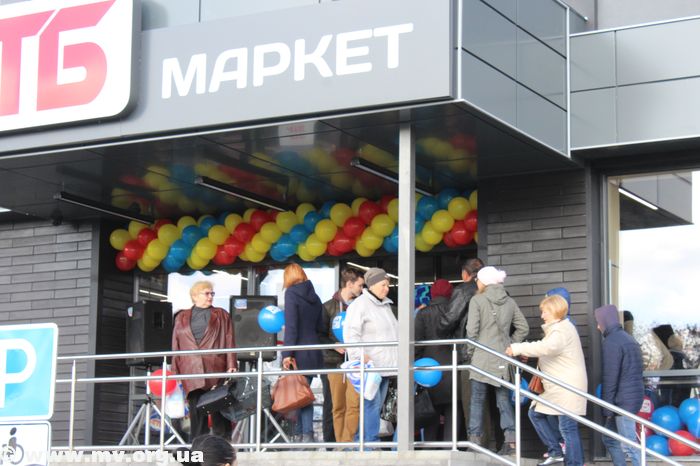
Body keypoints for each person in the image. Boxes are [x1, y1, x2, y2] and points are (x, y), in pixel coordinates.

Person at [507, 295, 588, 466]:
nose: (542, 315)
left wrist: (517, 348)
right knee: (535, 413)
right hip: (558, 387)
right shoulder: (559, 329)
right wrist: (527, 354)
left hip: (566, 387)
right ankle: (556, 452)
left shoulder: (561, 330)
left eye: (545, 312)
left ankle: (572, 462)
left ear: (554, 311)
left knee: (567, 427)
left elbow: (547, 348)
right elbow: (550, 351)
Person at [465, 266, 528, 455]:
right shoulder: (509, 301)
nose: (476, 282)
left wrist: (471, 352)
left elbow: (471, 331)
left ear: (483, 281)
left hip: (481, 357)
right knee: (503, 400)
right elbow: (523, 327)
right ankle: (511, 442)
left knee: (477, 400)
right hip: (503, 358)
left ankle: (475, 441)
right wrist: (510, 345)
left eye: (477, 279)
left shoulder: (477, 300)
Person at [172, 281, 237, 441]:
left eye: (212, 293)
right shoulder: (181, 317)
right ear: (195, 296)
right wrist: (175, 371)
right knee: (196, 411)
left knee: (219, 408)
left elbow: (229, 338)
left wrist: (231, 364)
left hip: (215, 366)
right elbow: (176, 344)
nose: (210, 297)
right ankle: (198, 446)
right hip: (191, 368)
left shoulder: (221, 314)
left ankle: (223, 445)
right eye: (207, 293)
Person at [343, 267, 398, 445]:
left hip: (387, 366)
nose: (386, 289)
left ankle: (362, 442)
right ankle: (369, 443)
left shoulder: (386, 305)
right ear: (372, 285)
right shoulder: (359, 305)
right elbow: (351, 334)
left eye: (388, 285)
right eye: (383, 285)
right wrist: (359, 355)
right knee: (371, 405)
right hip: (371, 366)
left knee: (375, 406)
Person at [437, 258, 486, 437]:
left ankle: (475, 443)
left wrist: (441, 333)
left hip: (468, 353)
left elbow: (449, 319)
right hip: (493, 353)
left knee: (472, 401)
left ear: (465, 274)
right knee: (494, 402)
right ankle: (503, 445)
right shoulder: (495, 290)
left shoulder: (463, 290)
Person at [281, 263, 325, 444]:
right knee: (303, 393)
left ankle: (305, 435)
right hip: (313, 352)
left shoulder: (291, 293)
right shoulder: (315, 297)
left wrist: (286, 354)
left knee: (301, 395)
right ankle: (302, 435)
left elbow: (291, 327)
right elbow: (320, 326)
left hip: (298, 352)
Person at [320, 267, 364, 446]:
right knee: (335, 405)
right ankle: (334, 444)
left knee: (354, 404)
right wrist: (335, 345)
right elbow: (319, 335)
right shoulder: (327, 307)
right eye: (360, 285)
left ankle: (349, 443)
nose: (362, 289)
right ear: (349, 284)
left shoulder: (360, 306)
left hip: (355, 362)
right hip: (333, 362)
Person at [415, 278, 462, 441]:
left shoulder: (423, 313)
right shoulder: (456, 311)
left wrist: (416, 367)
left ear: (433, 293)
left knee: (429, 412)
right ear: (450, 293)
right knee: (453, 410)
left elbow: (416, 344)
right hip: (454, 368)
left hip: (429, 370)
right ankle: (451, 446)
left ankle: (430, 447)